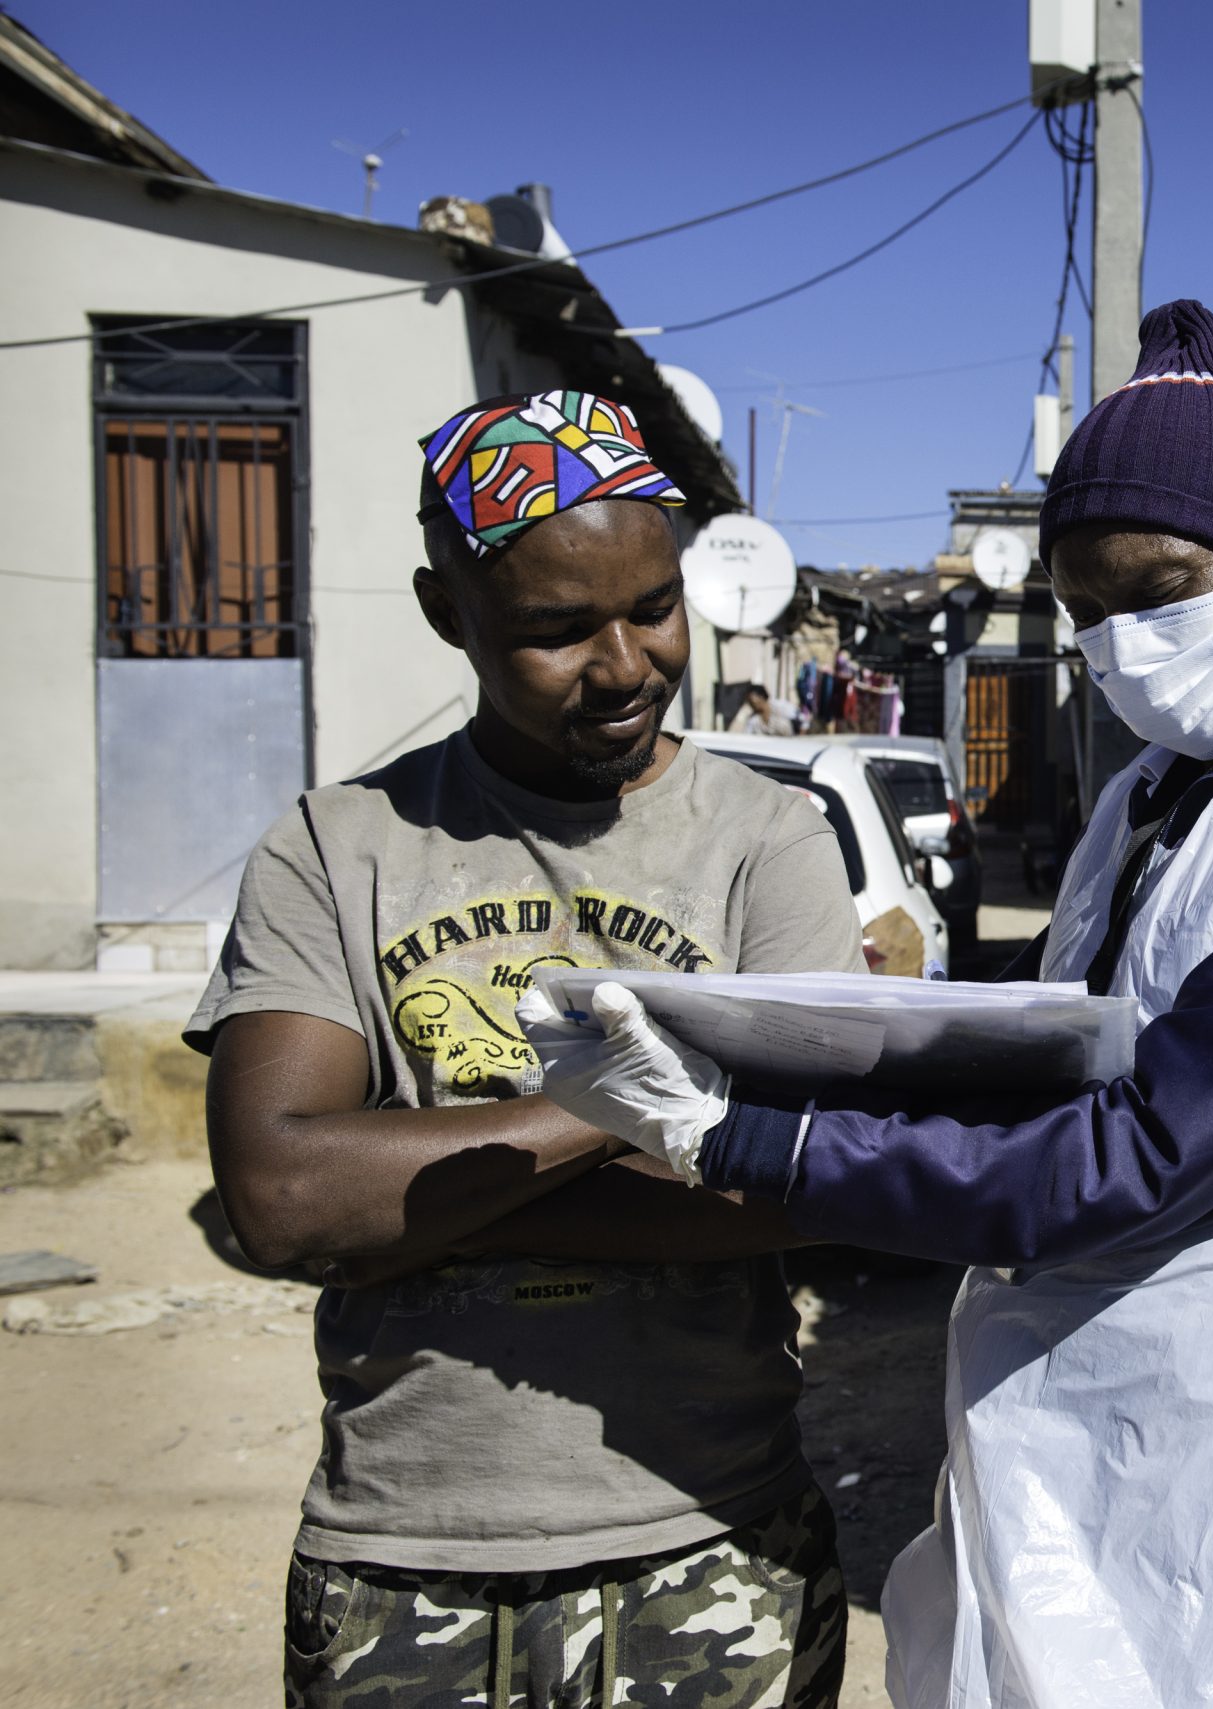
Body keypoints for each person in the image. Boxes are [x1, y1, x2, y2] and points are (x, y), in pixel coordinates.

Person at [532, 301, 1213, 1709]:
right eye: (1086, 613)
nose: (1121, 644)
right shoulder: (1155, 797)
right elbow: (1065, 1052)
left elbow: (1152, 1148)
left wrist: (747, 1140)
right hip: (1077, 1425)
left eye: (1160, 588)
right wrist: (801, 1048)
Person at [188, 391, 865, 1709]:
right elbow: (281, 1196)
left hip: (713, 1541)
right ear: (451, 614)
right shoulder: (339, 847)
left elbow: (810, 1184)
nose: (623, 665)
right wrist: (622, 1101)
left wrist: (419, 1201)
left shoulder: (765, 842)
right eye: (557, 630)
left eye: (655, 608)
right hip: (407, 1564)